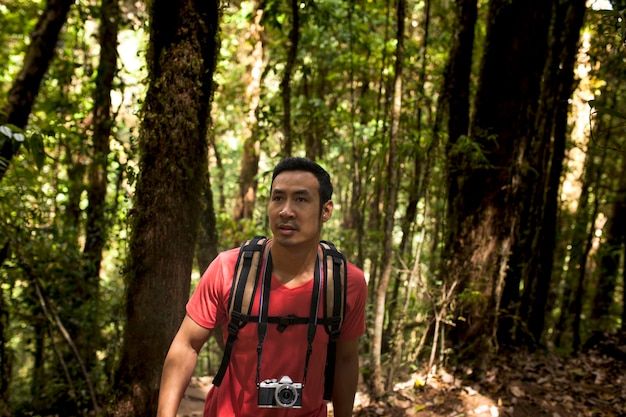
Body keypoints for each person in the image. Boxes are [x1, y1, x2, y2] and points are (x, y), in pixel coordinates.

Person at [157, 157, 368, 417]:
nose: (286, 211)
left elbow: (345, 360)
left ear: (326, 210)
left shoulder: (346, 282)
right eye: (278, 198)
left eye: (301, 199)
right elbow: (186, 346)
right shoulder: (230, 269)